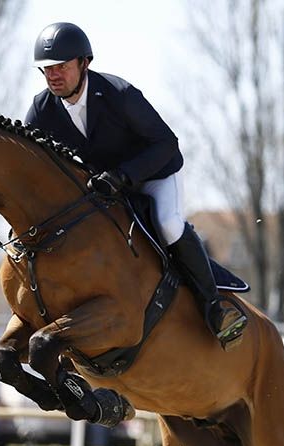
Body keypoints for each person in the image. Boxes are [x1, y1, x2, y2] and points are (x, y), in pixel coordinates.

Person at [25, 22, 247, 350]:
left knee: (168, 225)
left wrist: (124, 176)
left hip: (154, 174)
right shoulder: (42, 109)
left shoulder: (119, 94)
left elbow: (166, 144)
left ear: (84, 63)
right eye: (46, 70)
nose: (53, 75)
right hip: (105, 190)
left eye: (61, 67)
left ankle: (215, 307)